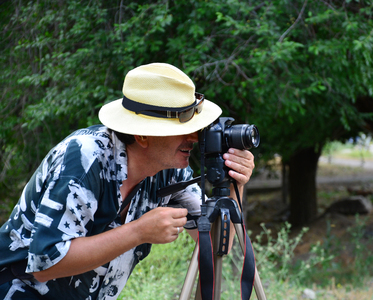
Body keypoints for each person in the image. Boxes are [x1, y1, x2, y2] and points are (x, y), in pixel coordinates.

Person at [0, 63, 255, 299]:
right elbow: (46, 265)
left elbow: (218, 245)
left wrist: (235, 184)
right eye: (183, 127)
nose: (194, 136)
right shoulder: (84, 158)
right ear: (143, 135)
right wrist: (138, 232)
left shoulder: (170, 170)